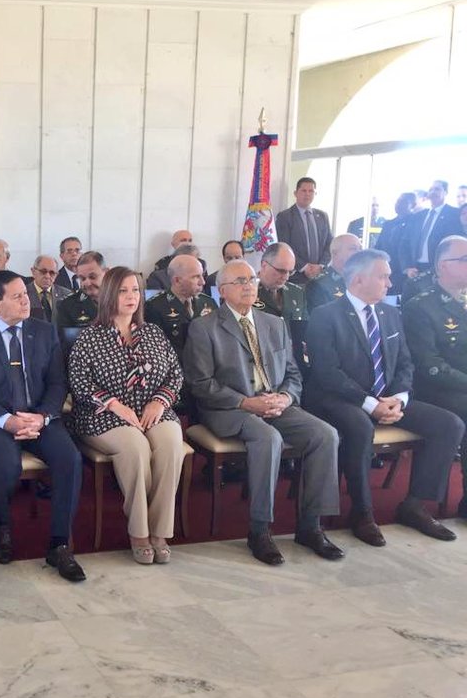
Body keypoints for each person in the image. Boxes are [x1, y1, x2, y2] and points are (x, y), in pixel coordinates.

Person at [183, 259, 343, 566]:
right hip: (229, 408)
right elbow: (200, 384)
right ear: (222, 290)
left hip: (275, 403)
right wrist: (246, 403)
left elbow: (294, 373)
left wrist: (285, 396)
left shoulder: (274, 323)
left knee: (325, 434)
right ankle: (260, 530)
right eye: (240, 280)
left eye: (252, 279)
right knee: (268, 438)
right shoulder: (205, 328)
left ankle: (311, 525)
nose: (248, 285)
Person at [304, 248, 463, 546]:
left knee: (450, 424)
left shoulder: (390, 313)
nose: (390, 284)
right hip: (339, 398)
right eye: (384, 277)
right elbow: (328, 373)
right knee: (360, 427)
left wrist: (399, 399)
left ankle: (415, 505)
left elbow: (406, 363)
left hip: (388, 397)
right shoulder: (326, 315)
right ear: (360, 279)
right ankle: (362, 512)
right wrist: (371, 405)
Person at [0, 270, 86, 582]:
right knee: (6, 463)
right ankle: (2, 525)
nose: (26, 300)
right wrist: (8, 421)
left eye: (25, 294)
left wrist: (41, 417)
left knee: (69, 459)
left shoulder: (44, 332)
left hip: (38, 417)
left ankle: (60, 543)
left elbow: (58, 383)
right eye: (17, 296)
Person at [67, 267, 185, 564]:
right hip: (103, 415)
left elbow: (175, 374)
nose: (132, 297)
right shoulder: (90, 338)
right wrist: (117, 406)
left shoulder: (153, 332)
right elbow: (80, 384)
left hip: (151, 410)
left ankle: (160, 530)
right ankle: (139, 531)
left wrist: (159, 402)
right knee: (136, 448)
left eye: (135, 290)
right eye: (123, 291)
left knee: (171, 443)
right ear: (109, 295)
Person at [403, 235, 467, 520]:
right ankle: (420, 503)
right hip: (433, 388)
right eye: (463, 259)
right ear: (442, 265)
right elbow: (430, 365)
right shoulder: (421, 306)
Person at [398, 180, 464, 299]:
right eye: (431, 189)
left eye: (437, 189)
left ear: (446, 192)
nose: (433, 192)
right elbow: (405, 243)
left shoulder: (454, 214)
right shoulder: (418, 216)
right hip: (415, 270)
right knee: (413, 307)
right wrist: (407, 267)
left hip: (440, 270)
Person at [145, 253, 216, 356]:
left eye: (202, 275)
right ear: (177, 281)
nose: (203, 282)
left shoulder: (209, 303)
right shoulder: (154, 307)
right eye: (196, 277)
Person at [254, 242, 308, 373]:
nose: (286, 277)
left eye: (290, 271)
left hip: (293, 366)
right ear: (264, 265)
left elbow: (304, 329)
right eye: (281, 271)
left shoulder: (296, 292)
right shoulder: (249, 292)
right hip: (261, 365)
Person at [273, 177, 332, 283]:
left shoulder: (323, 216)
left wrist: (321, 266)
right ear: (295, 193)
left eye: (311, 191)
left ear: (315, 194)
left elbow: (329, 243)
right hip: (296, 276)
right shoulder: (285, 217)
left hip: (320, 276)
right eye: (303, 191)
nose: (307, 194)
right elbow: (284, 247)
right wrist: (305, 267)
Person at [305, 233, 364, 313]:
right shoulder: (318, 285)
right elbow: (321, 320)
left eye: (360, 249)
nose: (359, 253)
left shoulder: (362, 283)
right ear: (335, 253)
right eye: (353, 249)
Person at [375, 192, 418, 294]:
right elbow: (379, 247)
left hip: (405, 273)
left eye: (403, 201)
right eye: (397, 201)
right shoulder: (388, 224)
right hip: (386, 271)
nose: (398, 204)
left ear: (413, 205)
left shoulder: (416, 223)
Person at [57, 250, 106, 328]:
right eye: (82, 278)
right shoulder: (68, 305)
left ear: (106, 273)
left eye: (92, 277)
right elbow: (64, 338)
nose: (87, 283)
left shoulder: (121, 300)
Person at [25, 255, 71, 323]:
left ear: (56, 275)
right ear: (33, 271)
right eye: (43, 271)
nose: (47, 276)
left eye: (52, 273)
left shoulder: (67, 295)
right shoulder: (23, 294)